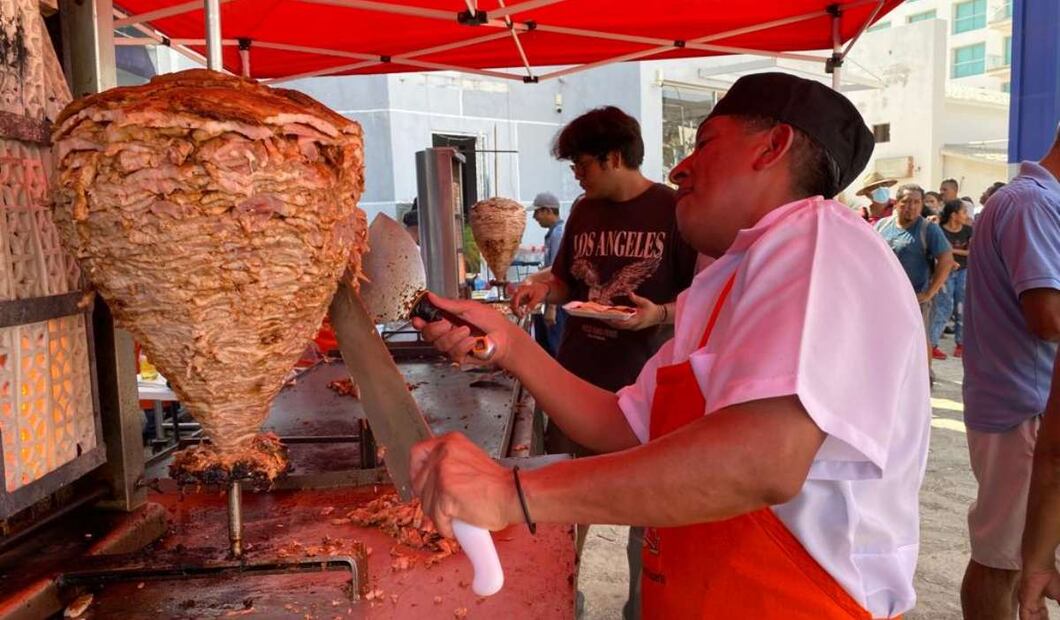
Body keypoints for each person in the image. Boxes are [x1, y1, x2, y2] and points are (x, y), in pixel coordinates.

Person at [410, 72, 929, 619]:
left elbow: (760, 462)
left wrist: (512, 493)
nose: (680, 167)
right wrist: (510, 341)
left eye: (704, 143)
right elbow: (622, 423)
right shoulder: (728, 279)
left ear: (773, 146)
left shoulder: (817, 240)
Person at [509, 106, 698, 619]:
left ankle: (639, 610)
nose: (576, 174)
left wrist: (657, 314)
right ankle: (561, 602)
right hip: (576, 378)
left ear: (615, 157)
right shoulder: (585, 209)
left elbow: (704, 299)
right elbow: (568, 277)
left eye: (582, 164)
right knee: (563, 512)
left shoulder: (675, 211)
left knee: (648, 519)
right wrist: (541, 285)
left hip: (646, 390)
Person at [962, 125, 1060, 620]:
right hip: (1024, 408)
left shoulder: (1034, 201)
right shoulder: (1032, 204)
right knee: (1005, 560)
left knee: (1023, 557)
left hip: (1028, 404)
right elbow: (1049, 319)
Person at [875, 184, 955, 383]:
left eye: (916, 202)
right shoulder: (882, 226)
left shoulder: (929, 230)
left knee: (920, 341)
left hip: (917, 298)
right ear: (897, 203)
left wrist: (929, 293)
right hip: (886, 299)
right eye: (906, 202)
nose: (911, 207)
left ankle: (923, 381)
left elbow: (946, 260)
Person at [928, 199, 972, 360]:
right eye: (963, 212)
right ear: (954, 215)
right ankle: (932, 344)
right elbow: (935, 251)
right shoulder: (939, 229)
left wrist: (948, 251)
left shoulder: (968, 230)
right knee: (943, 307)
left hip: (963, 272)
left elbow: (970, 252)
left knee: (962, 307)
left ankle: (961, 343)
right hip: (944, 272)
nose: (966, 216)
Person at [529, 191, 567, 356]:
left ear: (548, 211)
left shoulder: (558, 235)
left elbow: (558, 272)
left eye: (537, 212)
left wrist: (551, 308)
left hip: (558, 304)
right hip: (554, 299)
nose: (535, 217)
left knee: (555, 350)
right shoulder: (553, 234)